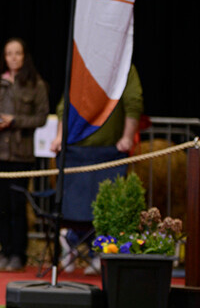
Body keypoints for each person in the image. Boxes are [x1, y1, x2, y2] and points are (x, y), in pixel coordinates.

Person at [50, 64, 143, 274]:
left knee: (105, 206)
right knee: (75, 204)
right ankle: (72, 242)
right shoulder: (83, 62)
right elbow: (65, 104)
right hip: (75, 151)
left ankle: (96, 250)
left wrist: (128, 136)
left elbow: (133, 101)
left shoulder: (123, 63)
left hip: (109, 153)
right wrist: (59, 136)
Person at [0, 37, 48, 272]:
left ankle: (19, 254)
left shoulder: (35, 84)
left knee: (18, 206)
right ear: (5, 57)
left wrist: (15, 121)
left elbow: (41, 117)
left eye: (17, 53)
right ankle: (4, 251)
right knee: (1, 206)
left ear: (24, 56)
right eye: (9, 54)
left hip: (21, 155)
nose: (13, 58)